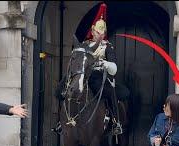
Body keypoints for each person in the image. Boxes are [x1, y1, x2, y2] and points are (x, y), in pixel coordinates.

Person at [52, 3, 130, 134]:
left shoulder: (107, 46)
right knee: (63, 88)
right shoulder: (84, 44)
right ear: (93, 31)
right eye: (97, 31)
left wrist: (104, 64)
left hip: (98, 76)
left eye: (102, 32)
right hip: (82, 73)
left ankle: (116, 122)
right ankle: (61, 121)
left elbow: (114, 68)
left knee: (110, 93)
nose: (99, 34)